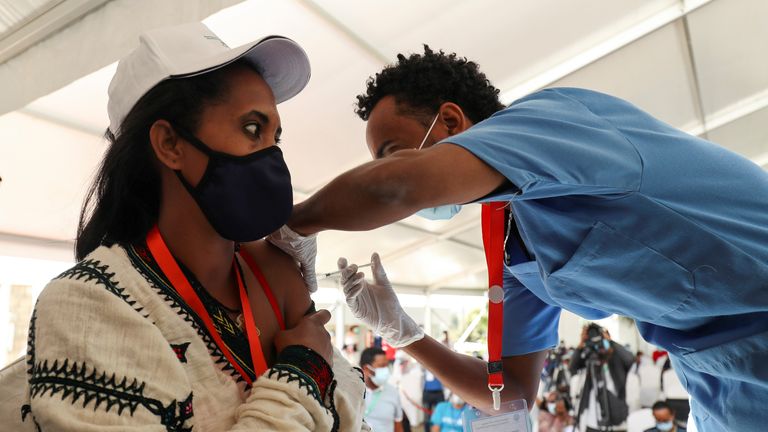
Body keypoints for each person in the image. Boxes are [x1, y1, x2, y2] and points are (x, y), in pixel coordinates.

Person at [269, 45, 768, 432]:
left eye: (394, 151)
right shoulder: (515, 237)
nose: (383, 169)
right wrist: (407, 334)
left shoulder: (554, 118)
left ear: (451, 121)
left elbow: (396, 185)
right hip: (722, 383)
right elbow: (513, 393)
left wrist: (294, 223)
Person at [18, 23, 367, 431]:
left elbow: (352, 407)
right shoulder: (87, 305)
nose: (272, 155)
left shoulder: (273, 276)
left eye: (276, 137)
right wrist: (303, 371)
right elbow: (329, 396)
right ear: (170, 144)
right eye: (252, 129)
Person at [569, 324, 634, 431]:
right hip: (592, 418)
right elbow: (572, 367)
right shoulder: (588, 356)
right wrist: (581, 343)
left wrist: (610, 342)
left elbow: (630, 360)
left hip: (616, 417)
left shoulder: (615, 358)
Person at [361, 347, 405, 432]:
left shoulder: (393, 393)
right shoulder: (354, 391)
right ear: (367, 369)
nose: (386, 370)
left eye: (386, 365)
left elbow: (398, 427)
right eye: (381, 366)